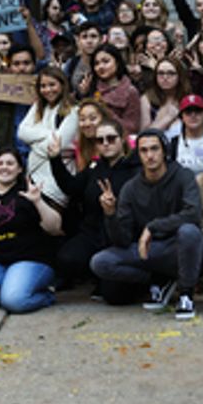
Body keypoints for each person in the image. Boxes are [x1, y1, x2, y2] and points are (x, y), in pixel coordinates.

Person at [91, 130, 203, 319]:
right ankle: (157, 281)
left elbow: (193, 214)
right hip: (150, 251)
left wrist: (153, 227)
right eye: (143, 151)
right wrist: (110, 214)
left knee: (189, 232)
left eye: (154, 149)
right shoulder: (131, 187)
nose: (150, 155)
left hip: (180, 247)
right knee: (100, 262)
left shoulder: (183, 175)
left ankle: (186, 295)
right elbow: (123, 239)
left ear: (164, 151)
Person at [0, 149, 63, 313]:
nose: (4, 168)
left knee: (14, 301)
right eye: (0, 163)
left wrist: (38, 202)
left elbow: (54, 227)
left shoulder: (29, 191)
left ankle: (46, 295)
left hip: (31, 258)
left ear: (19, 169)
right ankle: (7, 287)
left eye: (10, 164)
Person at [49, 118, 139, 294]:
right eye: (100, 140)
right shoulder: (94, 168)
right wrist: (55, 159)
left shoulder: (135, 170)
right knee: (66, 258)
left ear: (122, 140)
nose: (106, 144)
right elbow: (71, 187)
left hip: (120, 237)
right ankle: (93, 276)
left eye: (111, 138)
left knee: (113, 293)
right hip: (92, 233)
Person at [17, 66, 78, 205]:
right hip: (33, 173)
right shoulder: (38, 106)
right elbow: (21, 132)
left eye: (52, 85)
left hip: (55, 178)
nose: (47, 90)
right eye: (43, 86)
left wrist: (32, 142)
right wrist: (49, 134)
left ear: (62, 85)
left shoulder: (73, 111)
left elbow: (54, 146)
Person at [85, 44, 140, 136]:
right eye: (96, 63)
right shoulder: (92, 88)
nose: (101, 66)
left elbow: (132, 128)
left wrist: (106, 111)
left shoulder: (130, 91)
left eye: (106, 62)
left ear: (117, 62)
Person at [169, 95, 203, 174]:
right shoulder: (173, 143)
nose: (193, 115)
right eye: (188, 112)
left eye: (197, 111)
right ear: (182, 117)